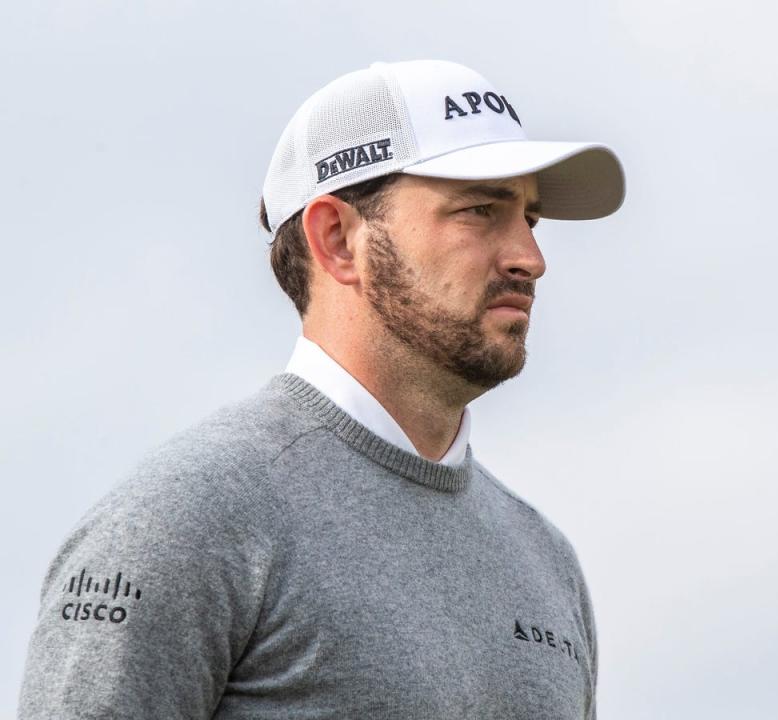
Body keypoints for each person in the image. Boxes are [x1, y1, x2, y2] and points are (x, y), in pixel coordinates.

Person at [17, 59, 625, 719]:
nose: (529, 258)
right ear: (337, 239)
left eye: (530, 220)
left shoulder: (544, 561)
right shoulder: (184, 521)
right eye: (480, 211)